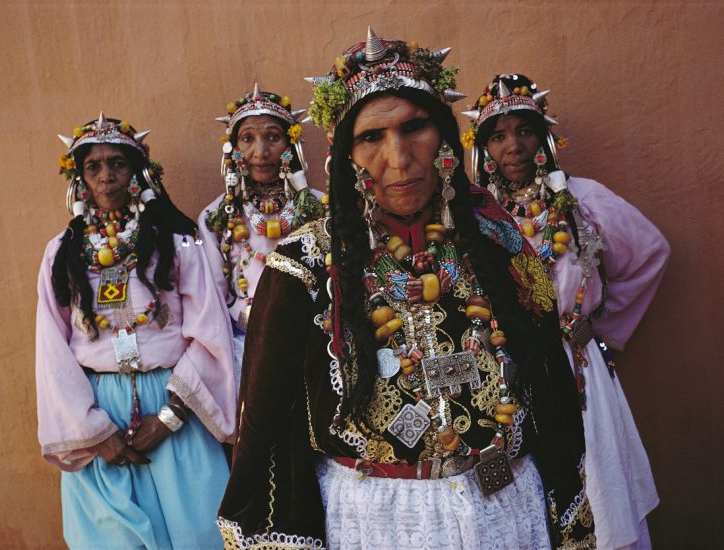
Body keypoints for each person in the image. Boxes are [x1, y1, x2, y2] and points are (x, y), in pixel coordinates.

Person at [218, 30, 594, 549]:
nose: (398, 157)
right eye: (372, 137)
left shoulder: (500, 242)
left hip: (506, 509)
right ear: (344, 155)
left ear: (443, 138)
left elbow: (550, 393)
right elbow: (265, 435)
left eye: (415, 128)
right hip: (378, 522)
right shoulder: (301, 269)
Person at [464, 74, 669, 549]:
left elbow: (650, 252)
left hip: (577, 368)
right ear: (483, 148)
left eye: (524, 131)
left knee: (596, 485)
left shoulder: (581, 200)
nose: (512, 146)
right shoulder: (475, 215)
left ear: (544, 139)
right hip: (506, 368)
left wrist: (602, 328)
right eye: (497, 135)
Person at [36, 114, 236, 549]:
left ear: (138, 173)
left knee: (200, 533)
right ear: (79, 179)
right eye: (93, 167)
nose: (106, 177)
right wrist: (95, 432)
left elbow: (209, 332)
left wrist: (168, 418)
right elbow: (52, 352)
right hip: (99, 410)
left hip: (176, 406)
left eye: (118, 164)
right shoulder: (61, 254)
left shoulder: (178, 242)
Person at [199, 85, 324, 386]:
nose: (260, 152)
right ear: (233, 148)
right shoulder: (216, 217)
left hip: (313, 345)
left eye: (272, 137)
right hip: (246, 351)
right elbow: (213, 296)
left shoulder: (320, 208)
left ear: (291, 144)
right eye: (247, 139)